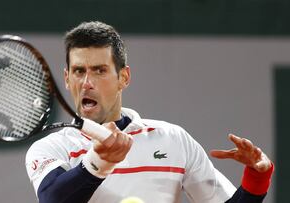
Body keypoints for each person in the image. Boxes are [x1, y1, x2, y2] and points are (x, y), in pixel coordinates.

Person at [25, 21, 274, 203]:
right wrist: (99, 162)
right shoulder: (51, 148)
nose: (87, 82)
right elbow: (53, 199)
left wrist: (256, 178)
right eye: (79, 71)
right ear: (67, 79)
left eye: (99, 70)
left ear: (124, 77)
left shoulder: (173, 139)